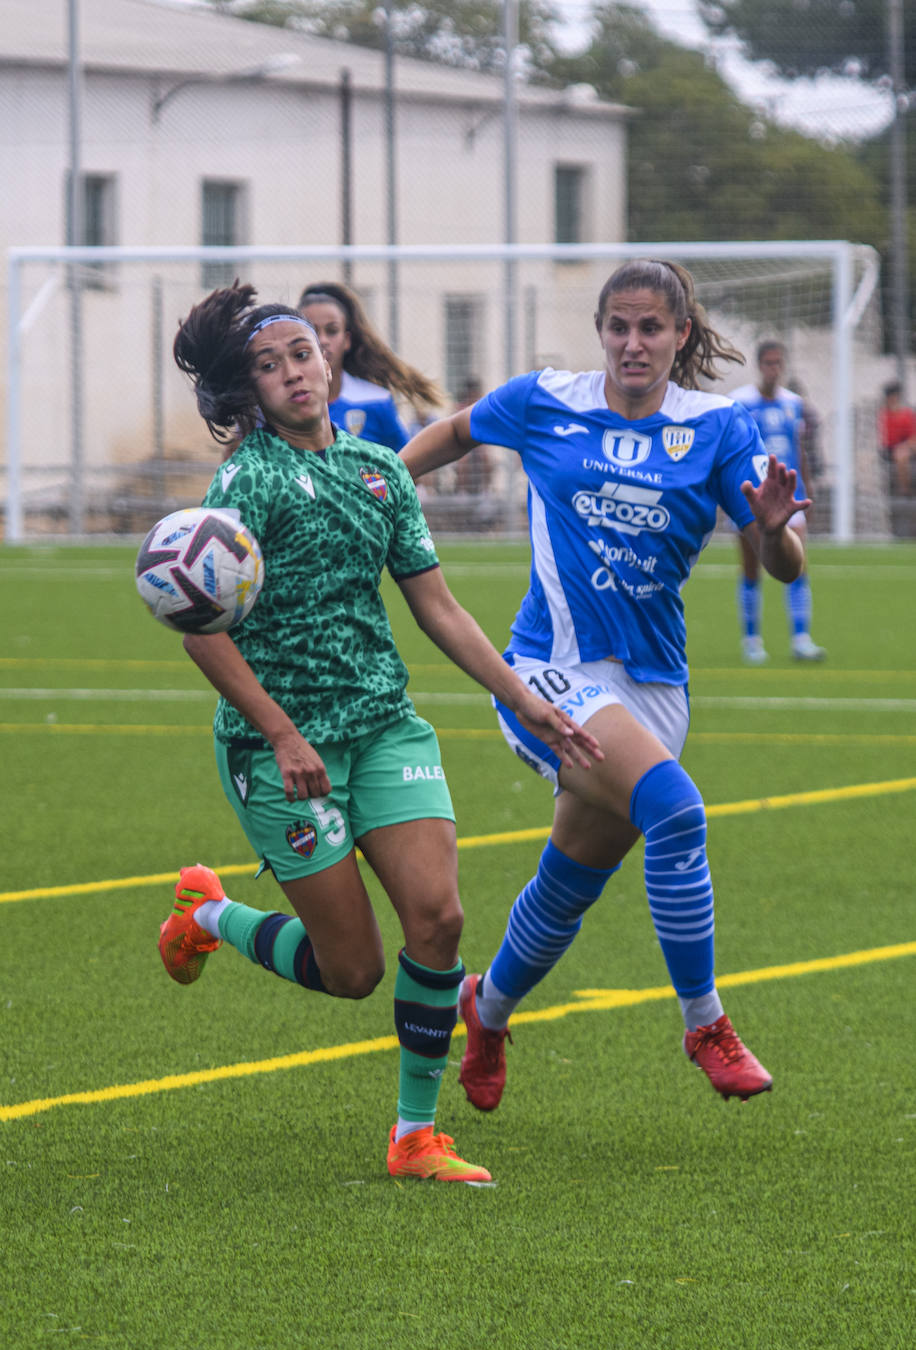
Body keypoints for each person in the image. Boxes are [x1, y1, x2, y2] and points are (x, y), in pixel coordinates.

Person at [160, 282, 600, 1183]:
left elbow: (435, 606)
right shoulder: (248, 481)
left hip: (384, 728)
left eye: (302, 355)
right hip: (281, 749)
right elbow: (201, 628)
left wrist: (526, 699)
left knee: (439, 920)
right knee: (352, 968)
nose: (292, 373)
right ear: (251, 389)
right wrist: (283, 735)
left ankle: (413, 1136)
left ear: (331, 361)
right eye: (269, 365)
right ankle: (205, 912)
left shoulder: (381, 469)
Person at [400, 258, 810, 1118]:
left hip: (654, 688)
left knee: (571, 880)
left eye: (651, 328)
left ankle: (488, 1008)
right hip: (545, 670)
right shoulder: (547, 399)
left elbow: (785, 563)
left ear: (680, 335)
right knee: (677, 810)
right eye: (618, 327)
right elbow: (457, 433)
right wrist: (381, 494)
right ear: (600, 331)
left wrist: (774, 533)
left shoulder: (718, 428)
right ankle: (706, 1024)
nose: (632, 343)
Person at [730, 341, 826, 663]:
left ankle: (801, 639)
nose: (773, 368)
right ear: (759, 365)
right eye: (768, 363)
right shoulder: (739, 403)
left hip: (789, 498)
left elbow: (799, 451)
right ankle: (751, 640)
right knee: (751, 569)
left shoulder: (793, 404)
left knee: (798, 567)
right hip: (753, 499)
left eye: (778, 363)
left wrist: (807, 491)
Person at [298, 280, 441, 449]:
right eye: (312, 331)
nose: (322, 340)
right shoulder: (279, 405)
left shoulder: (376, 401)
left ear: (347, 340)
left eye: (332, 330)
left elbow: (407, 465)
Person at [878, 380, 915, 498]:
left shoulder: (907, 414)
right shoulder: (883, 415)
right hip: (889, 448)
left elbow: (913, 436)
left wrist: (907, 445)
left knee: (902, 452)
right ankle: (905, 491)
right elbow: (885, 439)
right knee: (901, 454)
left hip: (906, 446)